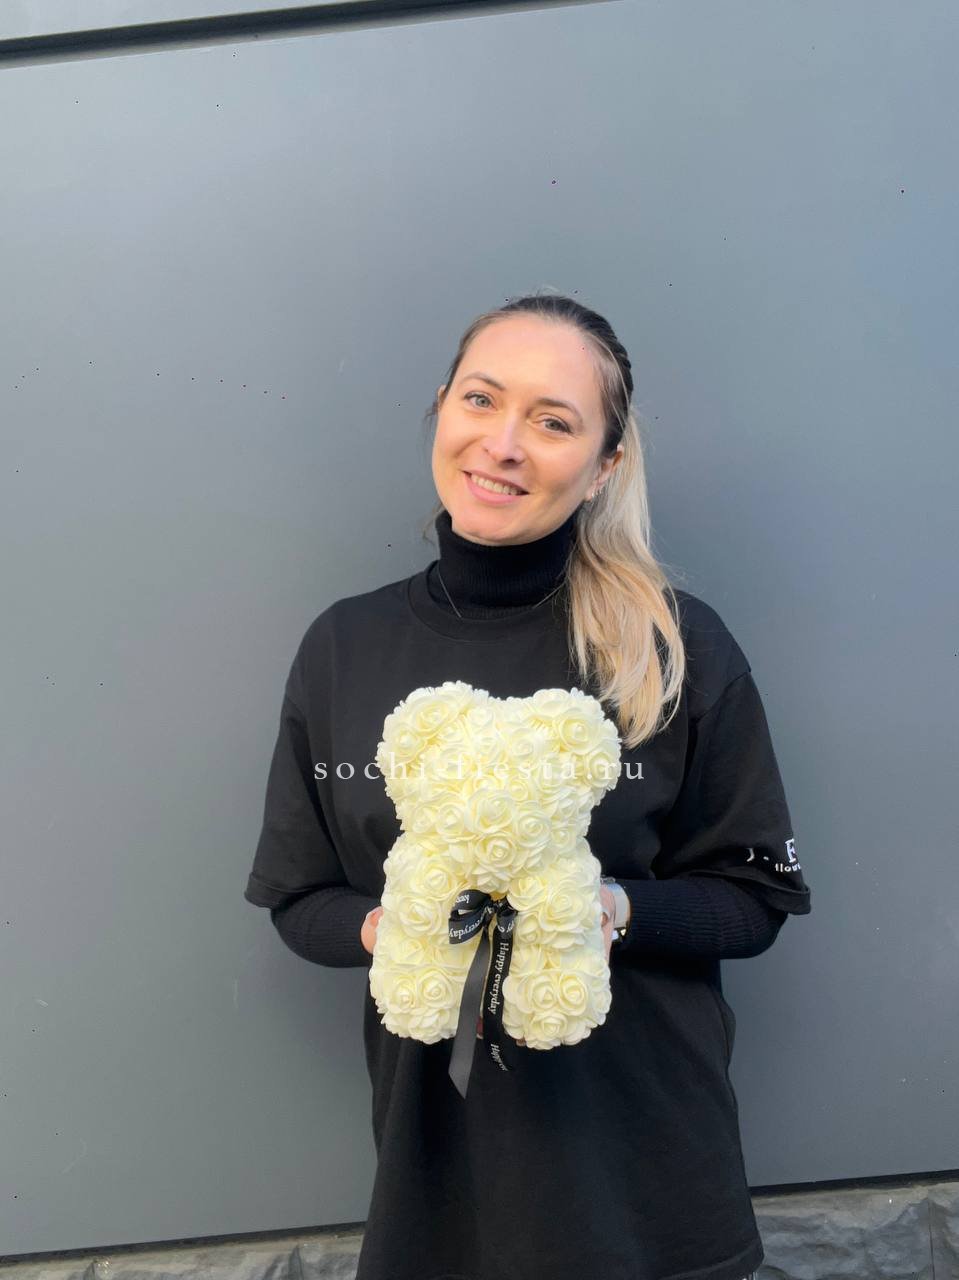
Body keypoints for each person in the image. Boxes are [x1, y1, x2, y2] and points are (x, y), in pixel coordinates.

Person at [244, 291, 811, 1280]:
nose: (502, 444)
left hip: (647, 1188)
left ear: (604, 463)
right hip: (438, 1185)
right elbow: (298, 901)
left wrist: (601, 908)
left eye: (552, 421)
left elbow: (754, 898)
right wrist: (400, 925)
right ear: (441, 409)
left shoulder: (672, 643)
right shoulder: (344, 645)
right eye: (481, 399)